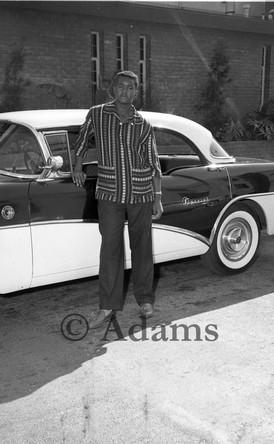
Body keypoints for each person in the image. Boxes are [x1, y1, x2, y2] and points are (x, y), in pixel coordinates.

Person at [73, 70, 163, 329]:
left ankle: (145, 300)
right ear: (113, 89)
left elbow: (153, 162)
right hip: (109, 193)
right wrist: (77, 167)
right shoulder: (97, 114)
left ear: (136, 92)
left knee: (142, 248)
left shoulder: (143, 124)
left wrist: (157, 197)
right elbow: (82, 141)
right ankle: (107, 306)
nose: (125, 91)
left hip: (141, 192)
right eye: (120, 86)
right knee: (110, 249)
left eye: (130, 88)